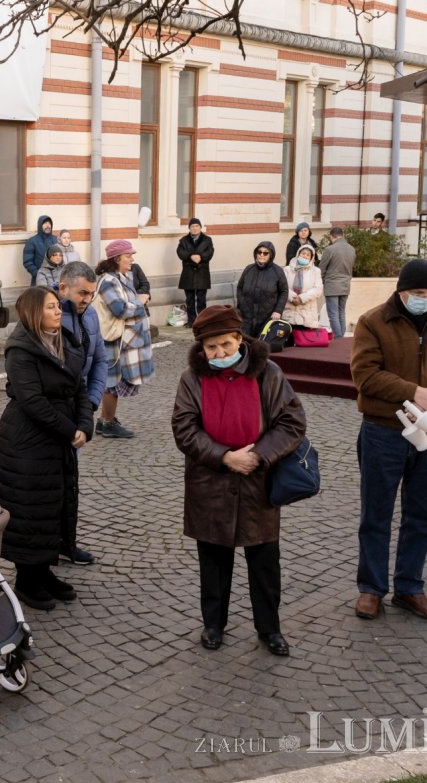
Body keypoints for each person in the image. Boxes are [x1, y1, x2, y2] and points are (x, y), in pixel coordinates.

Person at [172, 305, 306, 656]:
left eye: (225, 345)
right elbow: (184, 428)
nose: (218, 354)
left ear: (239, 340)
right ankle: (213, 623)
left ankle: (270, 628)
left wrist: (259, 455)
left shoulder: (268, 372)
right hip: (209, 482)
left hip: (258, 482)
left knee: (264, 561)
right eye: (210, 348)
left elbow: (291, 422)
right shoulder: (192, 378)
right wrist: (225, 456)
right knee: (213, 560)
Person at [351, 259, 427, 622]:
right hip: (383, 429)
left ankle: (409, 586)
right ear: (401, 291)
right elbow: (365, 376)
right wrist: (413, 392)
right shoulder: (373, 322)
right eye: (418, 293)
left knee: (423, 513)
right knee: (377, 513)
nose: (425, 299)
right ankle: (371, 589)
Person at [0, 286, 93, 611]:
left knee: (55, 502)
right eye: (51, 307)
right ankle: (27, 578)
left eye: (57, 306)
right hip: (27, 439)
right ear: (33, 312)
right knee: (30, 506)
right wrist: (70, 431)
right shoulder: (20, 349)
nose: (58, 312)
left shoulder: (64, 340)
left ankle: (45, 570)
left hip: (58, 435)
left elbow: (77, 386)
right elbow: (32, 401)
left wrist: (85, 425)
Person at [56, 262, 106, 567]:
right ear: (63, 288)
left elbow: (100, 359)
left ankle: (67, 543)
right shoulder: (48, 314)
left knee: (70, 482)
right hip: (57, 411)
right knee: (51, 484)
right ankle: (47, 547)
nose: (87, 299)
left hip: (80, 408)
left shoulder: (91, 316)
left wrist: (91, 402)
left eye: (91, 293)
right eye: (82, 293)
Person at [94, 240, 154, 439]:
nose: (132, 259)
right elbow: (120, 308)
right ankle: (108, 423)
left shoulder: (122, 277)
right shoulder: (109, 281)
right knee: (112, 382)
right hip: (113, 339)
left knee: (115, 381)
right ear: (117, 258)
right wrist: (140, 301)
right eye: (128, 256)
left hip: (122, 339)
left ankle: (105, 421)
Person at [235, 242, 288, 338]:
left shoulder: (278, 271)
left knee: (262, 346)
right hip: (247, 316)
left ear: (271, 255)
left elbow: (284, 292)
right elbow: (239, 288)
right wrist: (242, 305)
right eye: (259, 252)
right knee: (245, 343)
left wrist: (278, 310)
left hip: (267, 317)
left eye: (265, 253)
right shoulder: (249, 269)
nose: (261, 255)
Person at [319, 226, 355, 339]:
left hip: (332, 285)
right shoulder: (351, 249)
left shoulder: (330, 249)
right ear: (342, 235)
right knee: (341, 312)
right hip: (345, 284)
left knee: (333, 314)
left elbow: (322, 269)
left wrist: (321, 280)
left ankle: (338, 338)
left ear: (331, 236)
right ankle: (341, 336)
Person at [176, 219, 214, 323]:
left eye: (197, 226)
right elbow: (180, 252)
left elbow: (210, 252)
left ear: (200, 227)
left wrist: (200, 257)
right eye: (192, 226)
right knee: (189, 300)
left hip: (202, 274)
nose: (194, 228)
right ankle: (192, 321)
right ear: (189, 228)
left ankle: (202, 321)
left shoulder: (207, 240)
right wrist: (190, 256)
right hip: (188, 274)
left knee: (201, 300)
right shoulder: (183, 240)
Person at [282, 243, 326, 331]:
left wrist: (301, 298)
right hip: (289, 311)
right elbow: (283, 286)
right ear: (298, 254)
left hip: (307, 313)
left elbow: (317, 289)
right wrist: (292, 298)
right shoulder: (287, 269)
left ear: (311, 258)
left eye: (308, 255)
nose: (305, 256)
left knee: (304, 341)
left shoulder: (315, 271)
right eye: (303, 253)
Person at [22, 215, 57, 285]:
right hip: (38, 280)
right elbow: (27, 262)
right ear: (40, 225)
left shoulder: (56, 240)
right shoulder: (32, 241)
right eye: (45, 223)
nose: (48, 225)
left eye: (49, 223)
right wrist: (38, 274)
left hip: (55, 279)